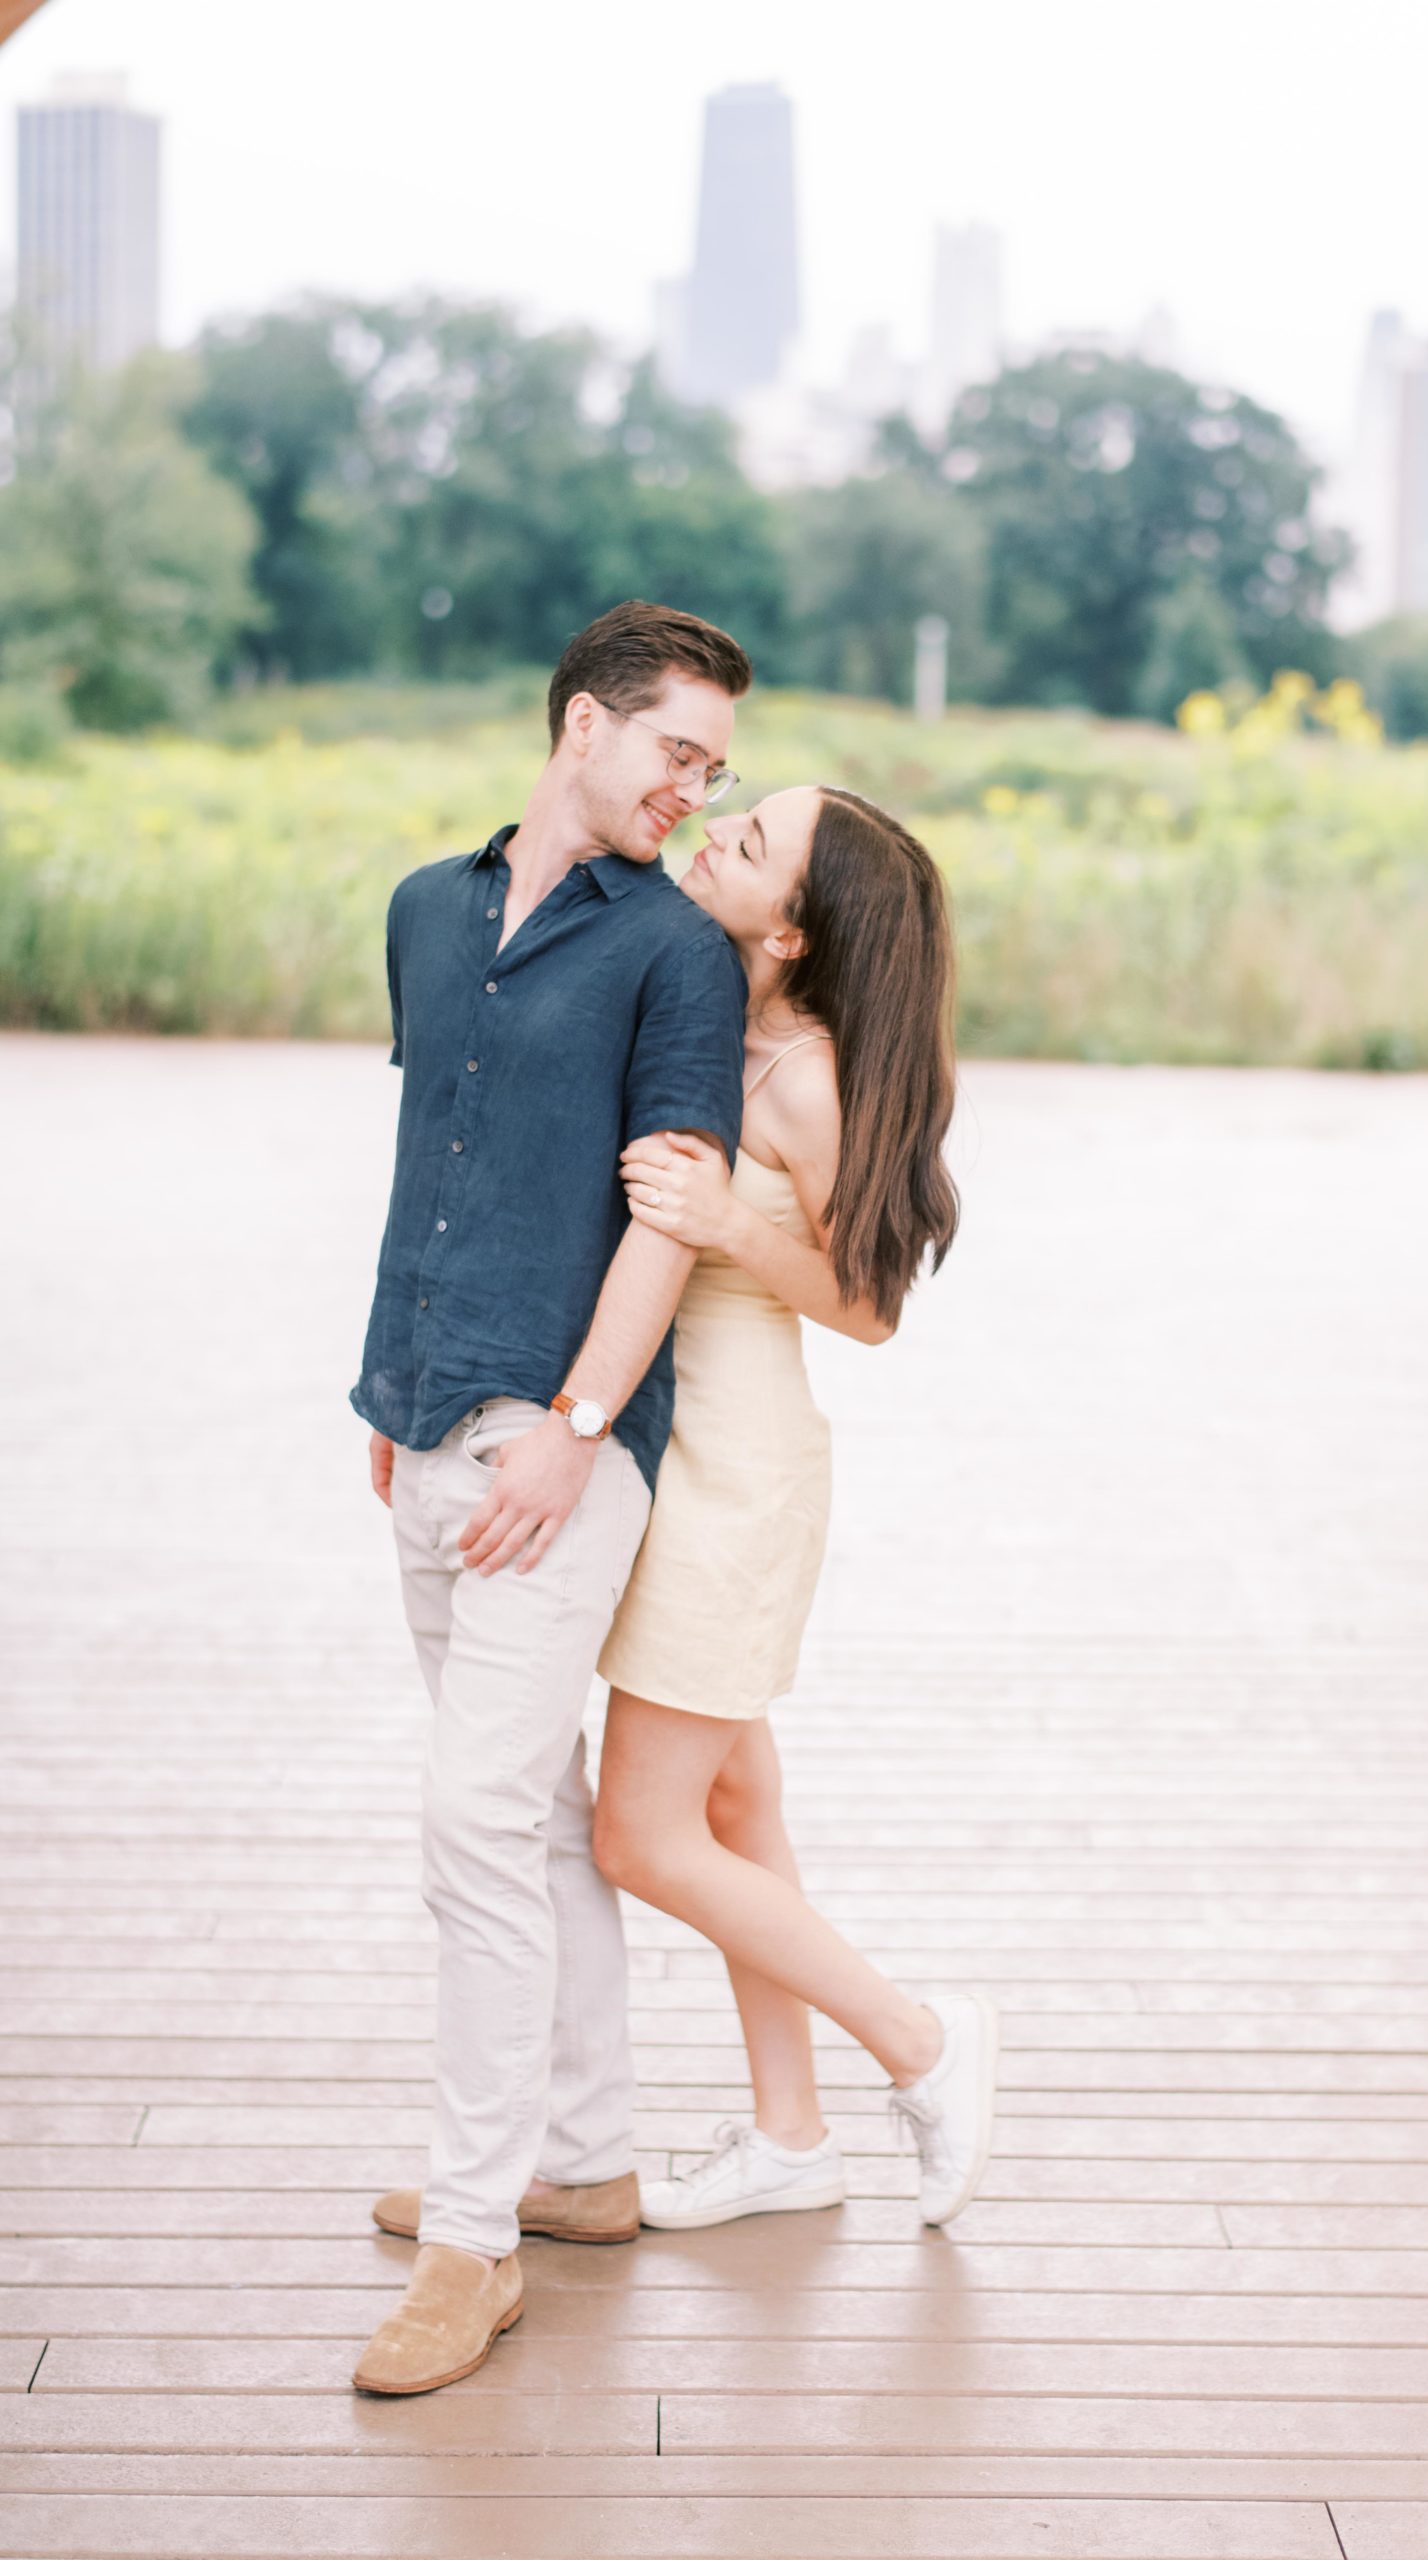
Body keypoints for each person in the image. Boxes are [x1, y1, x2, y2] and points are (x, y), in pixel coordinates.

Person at [347, 600, 753, 2398]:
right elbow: (432, 1150)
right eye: (678, 748)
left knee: (471, 1822)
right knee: (536, 1815)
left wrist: (581, 1424)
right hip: (427, 1424)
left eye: (717, 769)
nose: (694, 785)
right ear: (584, 723)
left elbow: (671, 1205)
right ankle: (581, 2163)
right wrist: (396, 1388)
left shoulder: (675, 953)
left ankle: (472, 2242)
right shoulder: (429, 909)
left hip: (560, 1452)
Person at [590, 781, 1000, 2232]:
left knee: (637, 1837)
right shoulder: (722, 1018)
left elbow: (873, 1308)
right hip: (677, 1454)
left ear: (792, 928)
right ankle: (791, 2136)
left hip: (737, 1478)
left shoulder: (806, 1077)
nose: (715, 839)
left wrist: (728, 1223)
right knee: (736, 1803)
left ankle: (923, 2044)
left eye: (747, 845)